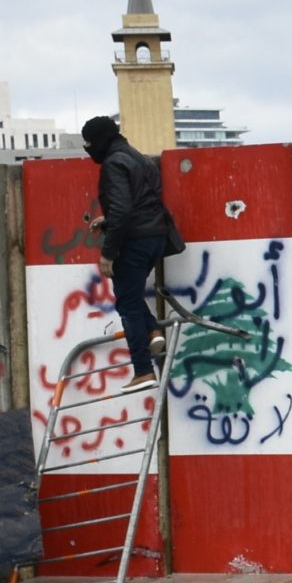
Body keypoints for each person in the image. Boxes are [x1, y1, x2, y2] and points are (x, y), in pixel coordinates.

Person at [80, 114, 178, 389]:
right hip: (156, 237)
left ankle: (143, 370)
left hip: (134, 241)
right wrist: (108, 220)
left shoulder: (113, 163)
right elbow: (142, 204)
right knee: (131, 296)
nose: (88, 149)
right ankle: (153, 332)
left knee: (127, 302)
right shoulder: (137, 157)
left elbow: (124, 209)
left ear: (98, 140)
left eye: (88, 143)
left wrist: (108, 253)